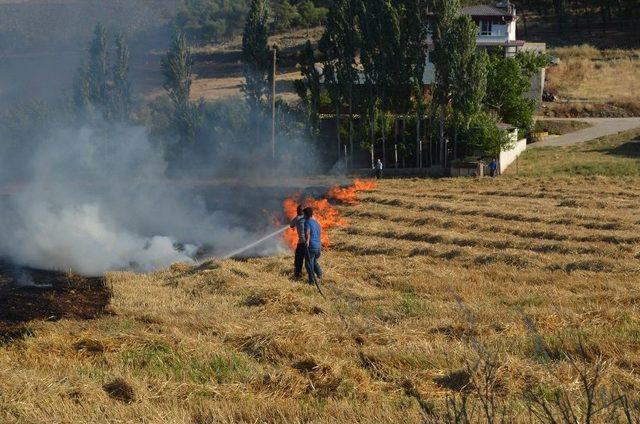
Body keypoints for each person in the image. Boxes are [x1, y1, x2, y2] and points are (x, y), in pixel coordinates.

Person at [303, 207, 323, 286]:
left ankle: (312, 281)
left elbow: (307, 232)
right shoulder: (317, 223)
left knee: (308, 264)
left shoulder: (307, 222)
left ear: (306, 215)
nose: (303, 216)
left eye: (304, 215)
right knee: (313, 261)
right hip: (318, 246)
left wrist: (307, 241)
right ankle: (320, 274)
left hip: (311, 246)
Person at [289, 205, 306, 279]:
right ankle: (318, 274)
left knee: (298, 259)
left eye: (299, 210)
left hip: (302, 243)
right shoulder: (309, 218)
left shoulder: (297, 218)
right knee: (311, 260)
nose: (298, 211)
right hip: (310, 242)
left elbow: (291, 225)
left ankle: (297, 274)